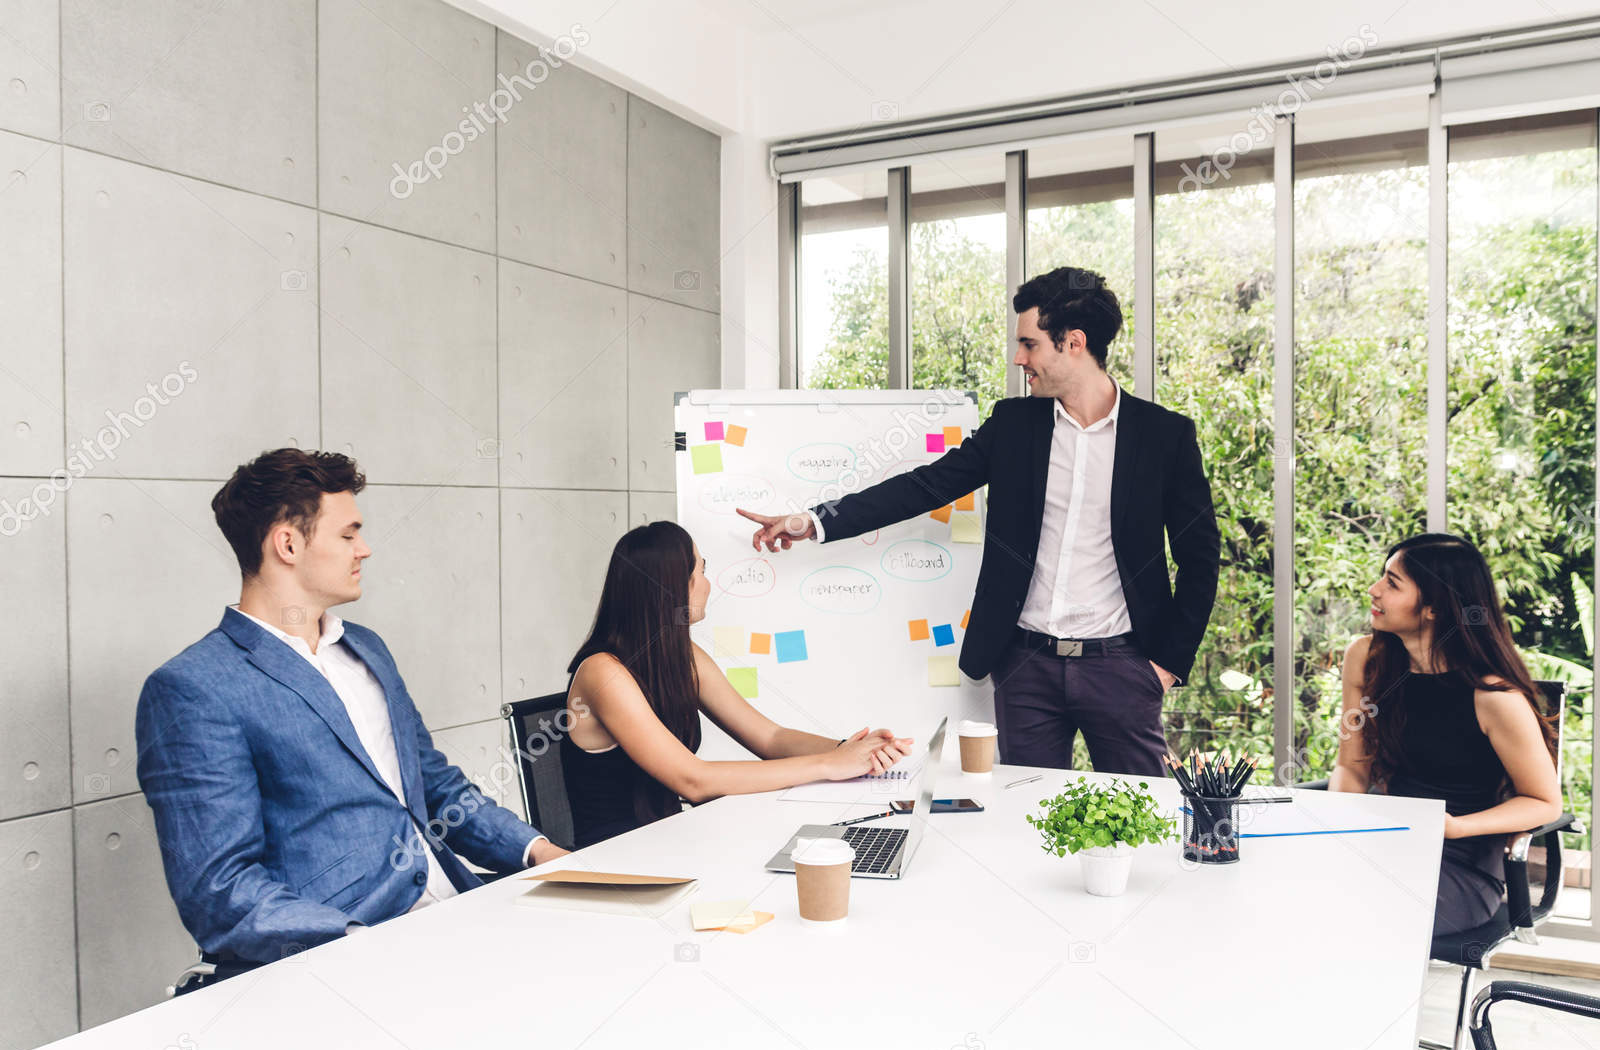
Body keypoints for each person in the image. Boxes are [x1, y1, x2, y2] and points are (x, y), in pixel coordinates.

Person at [739, 266, 1220, 778]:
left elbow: (1200, 558)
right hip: (1026, 670)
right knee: (1025, 812)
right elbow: (925, 486)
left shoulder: (1164, 437)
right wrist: (814, 521)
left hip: (1123, 668)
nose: (1019, 359)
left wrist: (1166, 666)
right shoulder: (1013, 426)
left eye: (1029, 345)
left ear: (1074, 343)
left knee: (1139, 810)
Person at [136, 449, 566, 985]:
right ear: (287, 544)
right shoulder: (194, 688)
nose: (364, 549)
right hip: (352, 958)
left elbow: (437, 789)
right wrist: (363, 943)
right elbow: (220, 891)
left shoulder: (367, 649)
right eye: (347, 535)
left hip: (458, 911)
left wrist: (541, 852)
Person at [563, 521, 913, 848]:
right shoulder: (602, 673)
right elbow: (694, 781)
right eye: (701, 571)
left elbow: (770, 738)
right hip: (616, 861)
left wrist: (852, 750)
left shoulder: (682, 655)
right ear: (673, 585)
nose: (707, 583)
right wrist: (829, 765)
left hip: (671, 843)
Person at [1331, 533, 1564, 936]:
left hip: (1458, 866)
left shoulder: (1495, 698)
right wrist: (1338, 828)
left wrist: (1456, 827)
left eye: (1392, 583)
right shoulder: (1366, 659)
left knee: (1352, 913)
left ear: (1435, 608)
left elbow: (1545, 803)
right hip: (1385, 843)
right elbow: (1352, 767)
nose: (1374, 589)